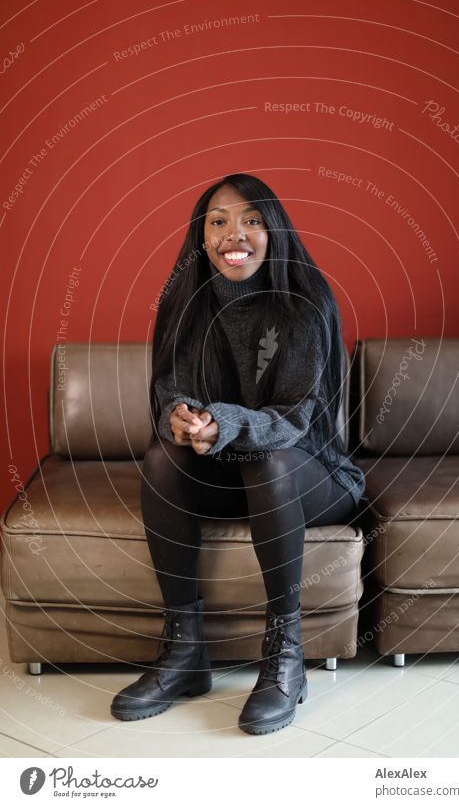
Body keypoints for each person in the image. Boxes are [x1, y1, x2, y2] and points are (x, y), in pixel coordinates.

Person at [110, 173, 365, 735]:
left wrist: (223, 421)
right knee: (160, 457)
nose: (235, 234)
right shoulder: (184, 301)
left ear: (274, 230)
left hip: (311, 477)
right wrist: (182, 419)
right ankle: (184, 654)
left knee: (267, 458)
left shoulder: (306, 302)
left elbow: (295, 421)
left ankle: (284, 659)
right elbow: (168, 391)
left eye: (251, 220)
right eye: (219, 221)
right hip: (230, 478)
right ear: (202, 238)